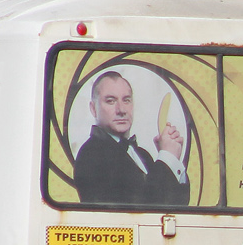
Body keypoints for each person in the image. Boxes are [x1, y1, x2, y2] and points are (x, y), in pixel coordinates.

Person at [72, 71, 190, 206]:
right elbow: (143, 209)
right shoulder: (90, 155)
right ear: (93, 109)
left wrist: (173, 160)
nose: (121, 109)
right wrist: (167, 157)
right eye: (110, 101)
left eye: (126, 100)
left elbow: (177, 207)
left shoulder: (143, 155)